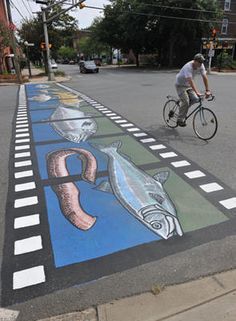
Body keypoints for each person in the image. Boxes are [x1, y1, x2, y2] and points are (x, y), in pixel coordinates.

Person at [175, 53, 211, 127]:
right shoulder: (188, 67)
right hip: (180, 85)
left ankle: (183, 109)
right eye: (199, 62)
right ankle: (180, 119)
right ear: (194, 61)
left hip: (188, 86)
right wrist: (197, 92)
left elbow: (204, 77)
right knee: (186, 101)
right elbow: (190, 81)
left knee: (196, 99)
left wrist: (207, 90)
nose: (201, 64)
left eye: (202, 62)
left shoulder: (201, 66)